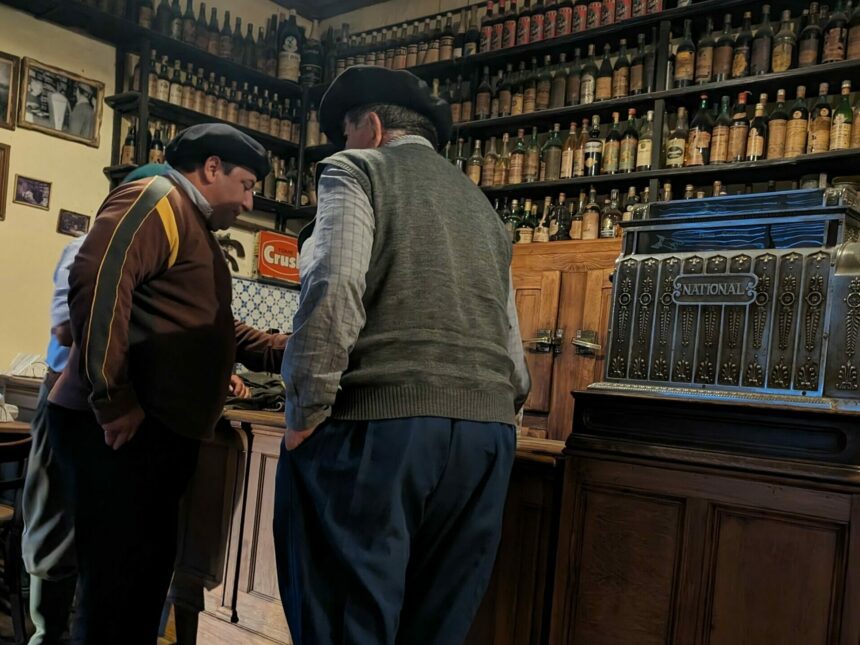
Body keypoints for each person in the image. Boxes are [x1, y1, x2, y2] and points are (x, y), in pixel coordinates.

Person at [274, 65, 531, 645]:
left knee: (348, 623)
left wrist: (305, 409)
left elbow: (334, 285)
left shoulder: (357, 169)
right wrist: (501, 414)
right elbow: (511, 342)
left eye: (345, 133)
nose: (342, 146)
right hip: (486, 436)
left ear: (369, 127)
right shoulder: (482, 207)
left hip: (383, 425)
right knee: (437, 627)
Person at [46, 124, 286, 643]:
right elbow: (99, 279)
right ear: (212, 168)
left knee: (139, 589)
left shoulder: (193, 224)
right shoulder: (158, 198)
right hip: (119, 433)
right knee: (115, 594)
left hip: (152, 438)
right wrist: (112, 399)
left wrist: (280, 349)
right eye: (245, 185)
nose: (248, 202)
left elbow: (208, 321)